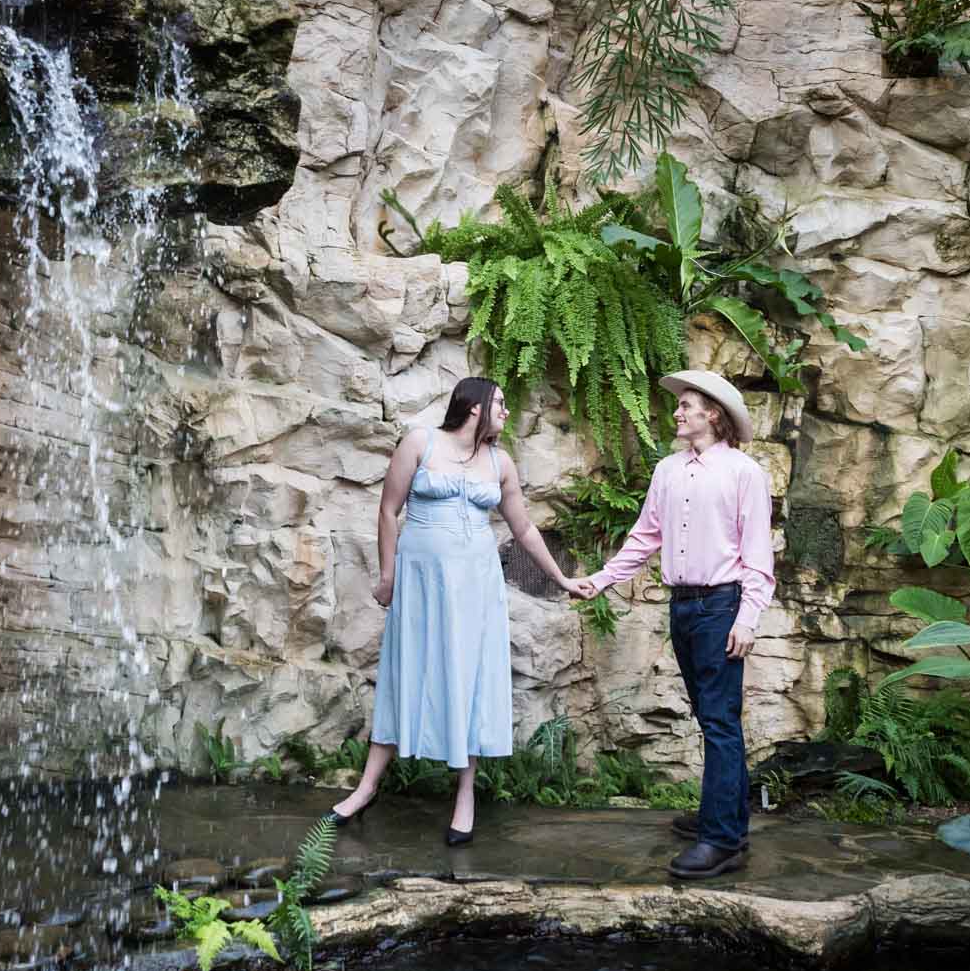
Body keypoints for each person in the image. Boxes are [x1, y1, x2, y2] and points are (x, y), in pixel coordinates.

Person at [329, 377, 578, 845]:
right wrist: (388, 576)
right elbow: (388, 511)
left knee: (470, 678)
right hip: (422, 583)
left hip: (476, 587)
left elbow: (523, 529)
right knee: (406, 672)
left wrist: (561, 579)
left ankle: (465, 794)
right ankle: (366, 788)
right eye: (501, 403)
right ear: (475, 406)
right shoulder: (421, 442)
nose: (506, 411)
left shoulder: (500, 463)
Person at [566, 369, 774, 880]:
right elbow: (644, 538)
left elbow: (759, 558)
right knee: (711, 717)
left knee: (721, 720)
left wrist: (747, 618)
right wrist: (602, 579)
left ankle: (722, 841)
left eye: (687, 405)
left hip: (721, 606)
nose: (677, 412)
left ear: (713, 415)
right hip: (682, 607)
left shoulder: (745, 473)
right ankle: (726, 816)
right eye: (679, 405)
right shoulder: (668, 470)